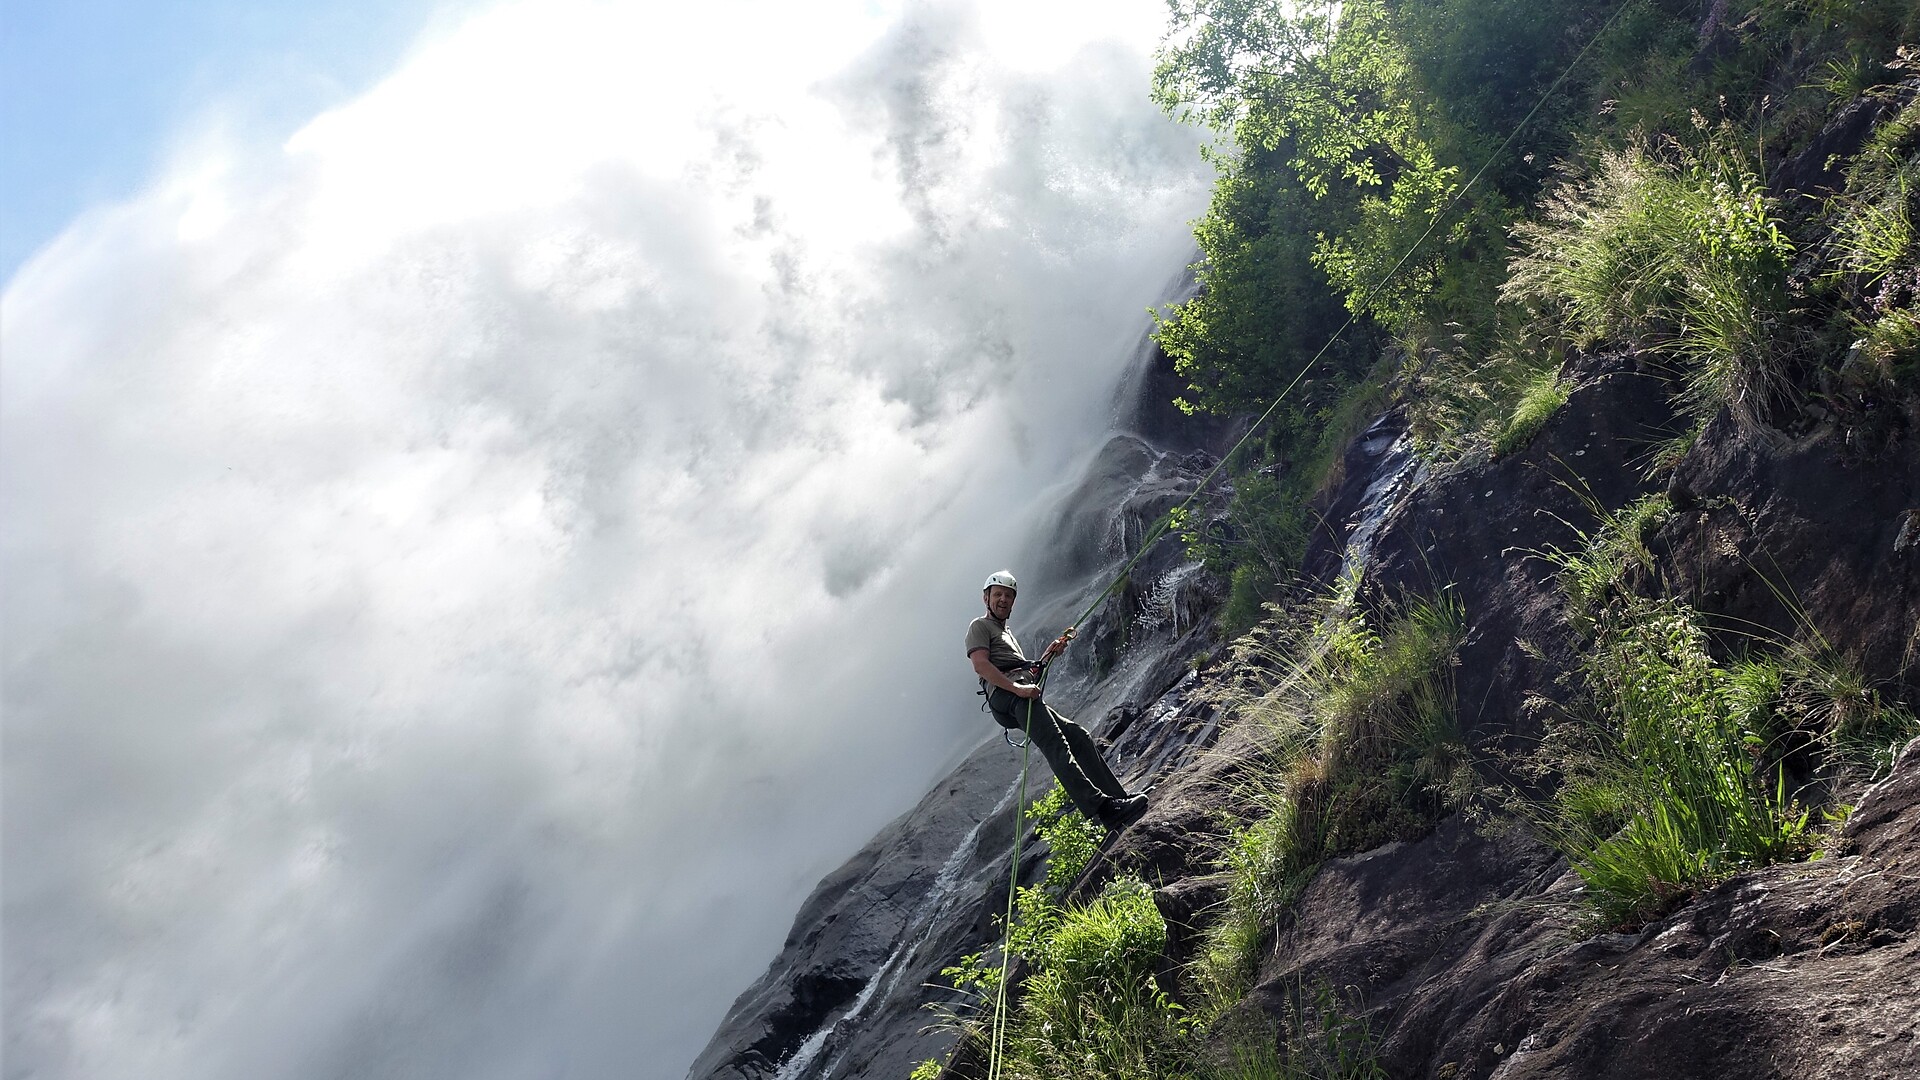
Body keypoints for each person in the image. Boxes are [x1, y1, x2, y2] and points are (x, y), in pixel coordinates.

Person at [965, 570, 1149, 831]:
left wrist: (1048, 655)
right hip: (1007, 696)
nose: (1003, 600)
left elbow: (1027, 673)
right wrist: (1018, 689)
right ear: (986, 598)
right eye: (998, 595)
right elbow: (981, 666)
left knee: (1078, 737)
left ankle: (1120, 800)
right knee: (1057, 745)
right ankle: (1103, 809)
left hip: (1017, 693)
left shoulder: (1006, 634)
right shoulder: (980, 626)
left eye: (1008, 596)